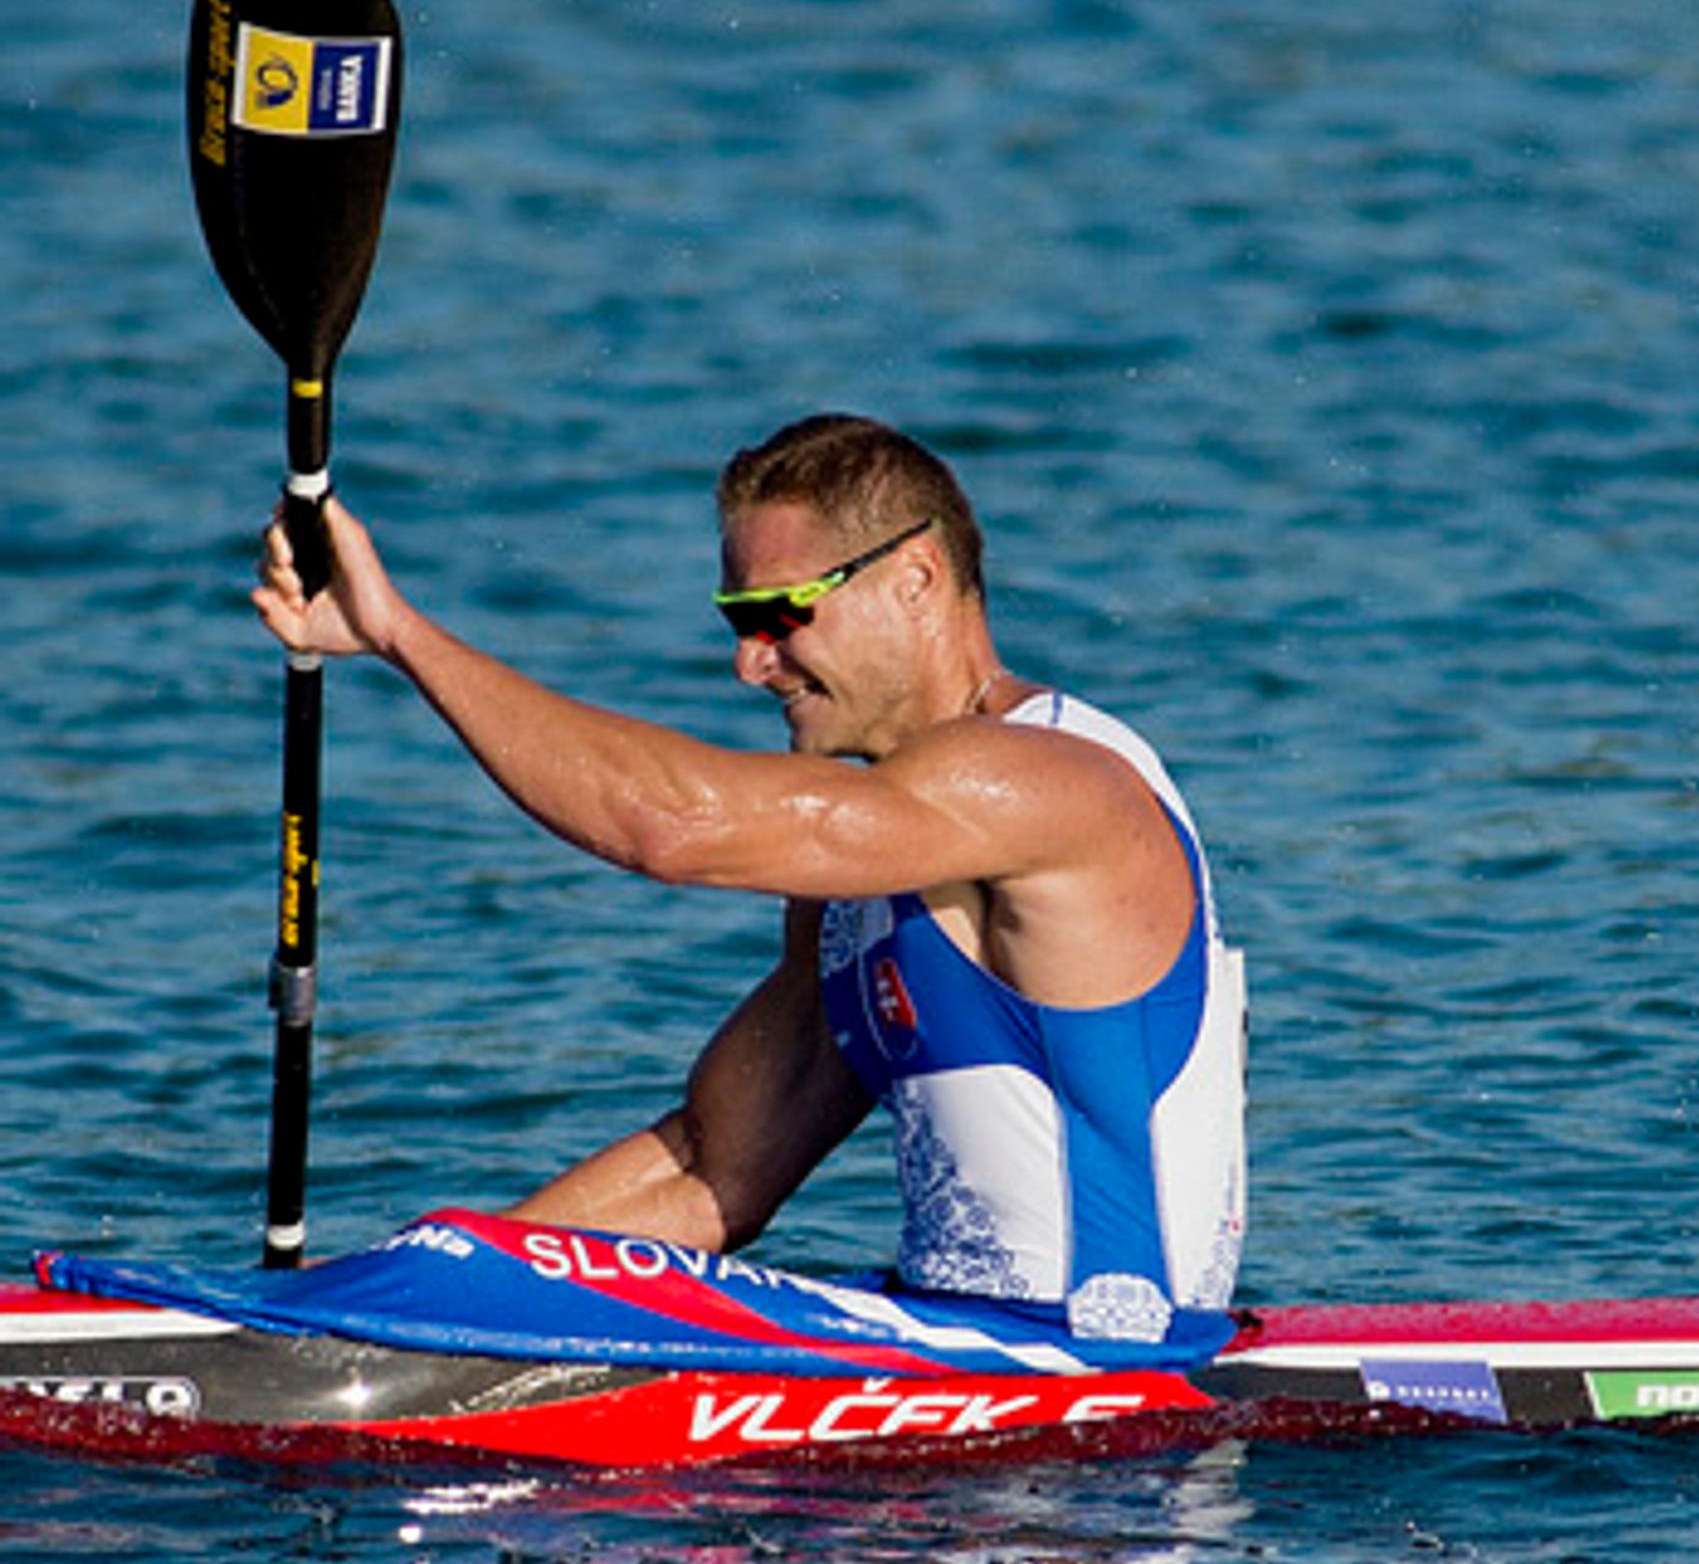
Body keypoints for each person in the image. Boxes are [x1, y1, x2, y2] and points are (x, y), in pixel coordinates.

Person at [252, 414, 1244, 1340]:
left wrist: (401, 637)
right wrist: (420, 1289)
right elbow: (713, 1167)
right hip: (955, 1388)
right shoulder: (864, 865)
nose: (748, 664)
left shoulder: (1043, 780)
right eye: (738, 620)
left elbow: (667, 829)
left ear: (917, 578)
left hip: (1108, 1435)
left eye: (780, 616)